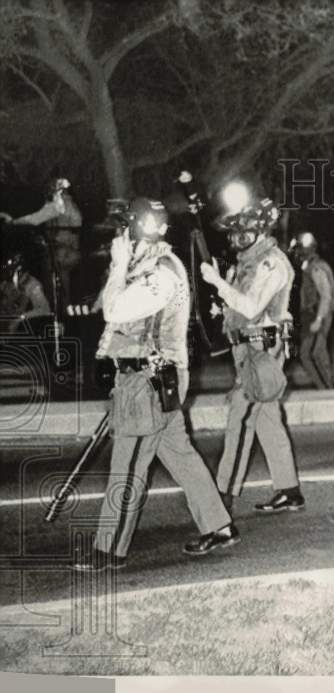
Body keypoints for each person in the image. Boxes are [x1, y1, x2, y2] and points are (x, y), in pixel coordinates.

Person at [72, 198, 238, 571]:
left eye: (122, 229)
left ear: (135, 230)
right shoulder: (149, 266)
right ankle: (219, 525)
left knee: (127, 466)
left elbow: (114, 310)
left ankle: (108, 549)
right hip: (155, 380)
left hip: (147, 382)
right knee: (181, 456)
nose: (117, 236)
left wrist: (117, 265)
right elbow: (108, 309)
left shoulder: (160, 273)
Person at [200, 197, 304, 513]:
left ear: (259, 230)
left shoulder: (270, 262)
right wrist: (222, 298)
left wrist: (218, 283)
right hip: (245, 348)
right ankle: (289, 489)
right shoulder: (245, 263)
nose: (235, 238)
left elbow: (251, 307)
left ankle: (223, 497)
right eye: (233, 232)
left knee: (240, 420)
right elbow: (235, 307)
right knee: (268, 419)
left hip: (263, 348)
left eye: (242, 231)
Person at [1, 177, 82, 302]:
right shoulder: (70, 205)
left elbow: (35, 219)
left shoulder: (58, 205)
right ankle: (64, 313)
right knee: (64, 288)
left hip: (60, 252)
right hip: (69, 252)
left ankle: (58, 314)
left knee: (55, 289)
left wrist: (13, 222)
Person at [291, 230, 334, 389]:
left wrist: (318, 319)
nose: (297, 253)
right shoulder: (311, 266)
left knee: (313, 353)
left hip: (318, 313)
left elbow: (326, 295)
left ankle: (326, 388)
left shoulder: (316, 267)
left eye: (299, 249)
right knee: (314, 353)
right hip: (314, 313)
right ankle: (325, 388)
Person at [0, 253, 52, 332]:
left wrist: (21, 318)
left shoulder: (32, 285)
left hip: (25, 329)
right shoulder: (7, 284)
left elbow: (45, 310)